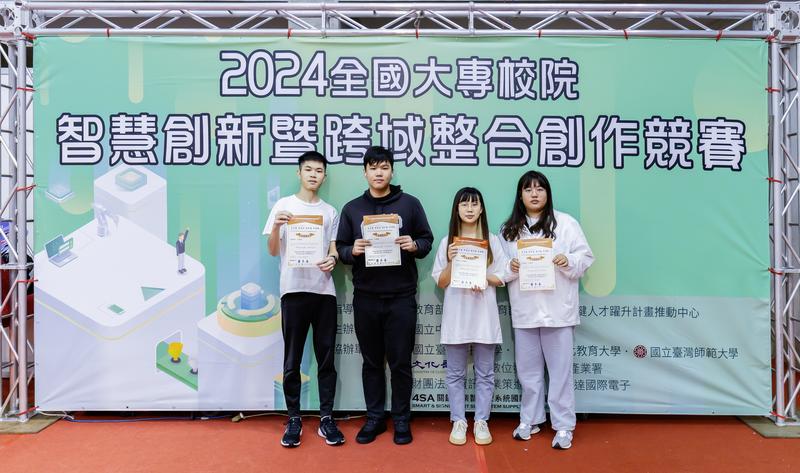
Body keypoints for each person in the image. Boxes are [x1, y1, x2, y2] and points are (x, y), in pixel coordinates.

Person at [336, 146, 434, 445]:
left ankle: (402, 419)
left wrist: (414, 245)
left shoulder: (410, 204)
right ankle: (375, 418)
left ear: (392, 171)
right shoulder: (352, 209)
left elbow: (426, 240)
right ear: (365, 172)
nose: (379, 173)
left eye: (384, 167)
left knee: (401, 362)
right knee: (371, 362)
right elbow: (340, 248)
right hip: (366, 297)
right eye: (373, 167)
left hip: (401, 297)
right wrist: (352, 250)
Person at [499, 170, 594, 450]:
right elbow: (498, 268)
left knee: (560, 372)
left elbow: (585, 257)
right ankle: (530, 419)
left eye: (540, 189)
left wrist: (568, 260)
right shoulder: (508, 230)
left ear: (547, 194)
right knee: (527, 372)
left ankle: (563, 426)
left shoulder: (566, 223)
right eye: (528, 189)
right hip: (525, 310)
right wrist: (510, 267)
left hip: (558, 311)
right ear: (520, 195)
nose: (534, 194)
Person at [264, 151, 344, 448]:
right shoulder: (283, 206)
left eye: (319, 171)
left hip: (323, 292)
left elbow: (333, 249)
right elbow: (273, 250)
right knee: (292, 360)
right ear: (299, 173)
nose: (313, 175)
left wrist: (333, 259)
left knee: (326, 359)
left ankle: (326, 418)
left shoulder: (330, 211)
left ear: (324, 176)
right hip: (293, 291)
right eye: (308, 169)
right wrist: (276, 226)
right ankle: (294, 419)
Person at [431, 187, 506, 446]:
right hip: (457, 316)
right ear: (457, 209)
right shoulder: (448, 243)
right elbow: (441, 281)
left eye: (475, 204)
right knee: (455, 373)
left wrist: (484, 278)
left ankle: (481, 421)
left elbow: (504, 275)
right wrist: (452, 261)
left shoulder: (492, 241)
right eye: (464, 204)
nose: (470, 209)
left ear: (482, 209)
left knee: (485, 374)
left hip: (484, 316)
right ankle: (459, 421)